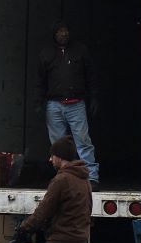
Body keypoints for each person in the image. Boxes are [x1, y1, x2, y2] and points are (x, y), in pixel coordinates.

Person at [14, 137, 92, 243]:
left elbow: (43, 211)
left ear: (60, 157)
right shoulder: (84, 179)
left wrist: (24, 228)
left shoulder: (62, 180)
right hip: (79, 239)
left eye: (52, 156)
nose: (50, 160)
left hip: (62, 240)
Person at [36, 21, 100, 190]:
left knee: (83, 142)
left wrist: (94, 97)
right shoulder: (46, 53)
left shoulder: (80, 50)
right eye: (60, 31)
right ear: (54, 34)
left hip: (76, 104)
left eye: (66, 30)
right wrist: (38, 102)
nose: (63, 34)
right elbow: (40, 81)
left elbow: (90, 75)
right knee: (58, 145)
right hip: (54, 105)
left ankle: (92, 177)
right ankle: (63, 179)